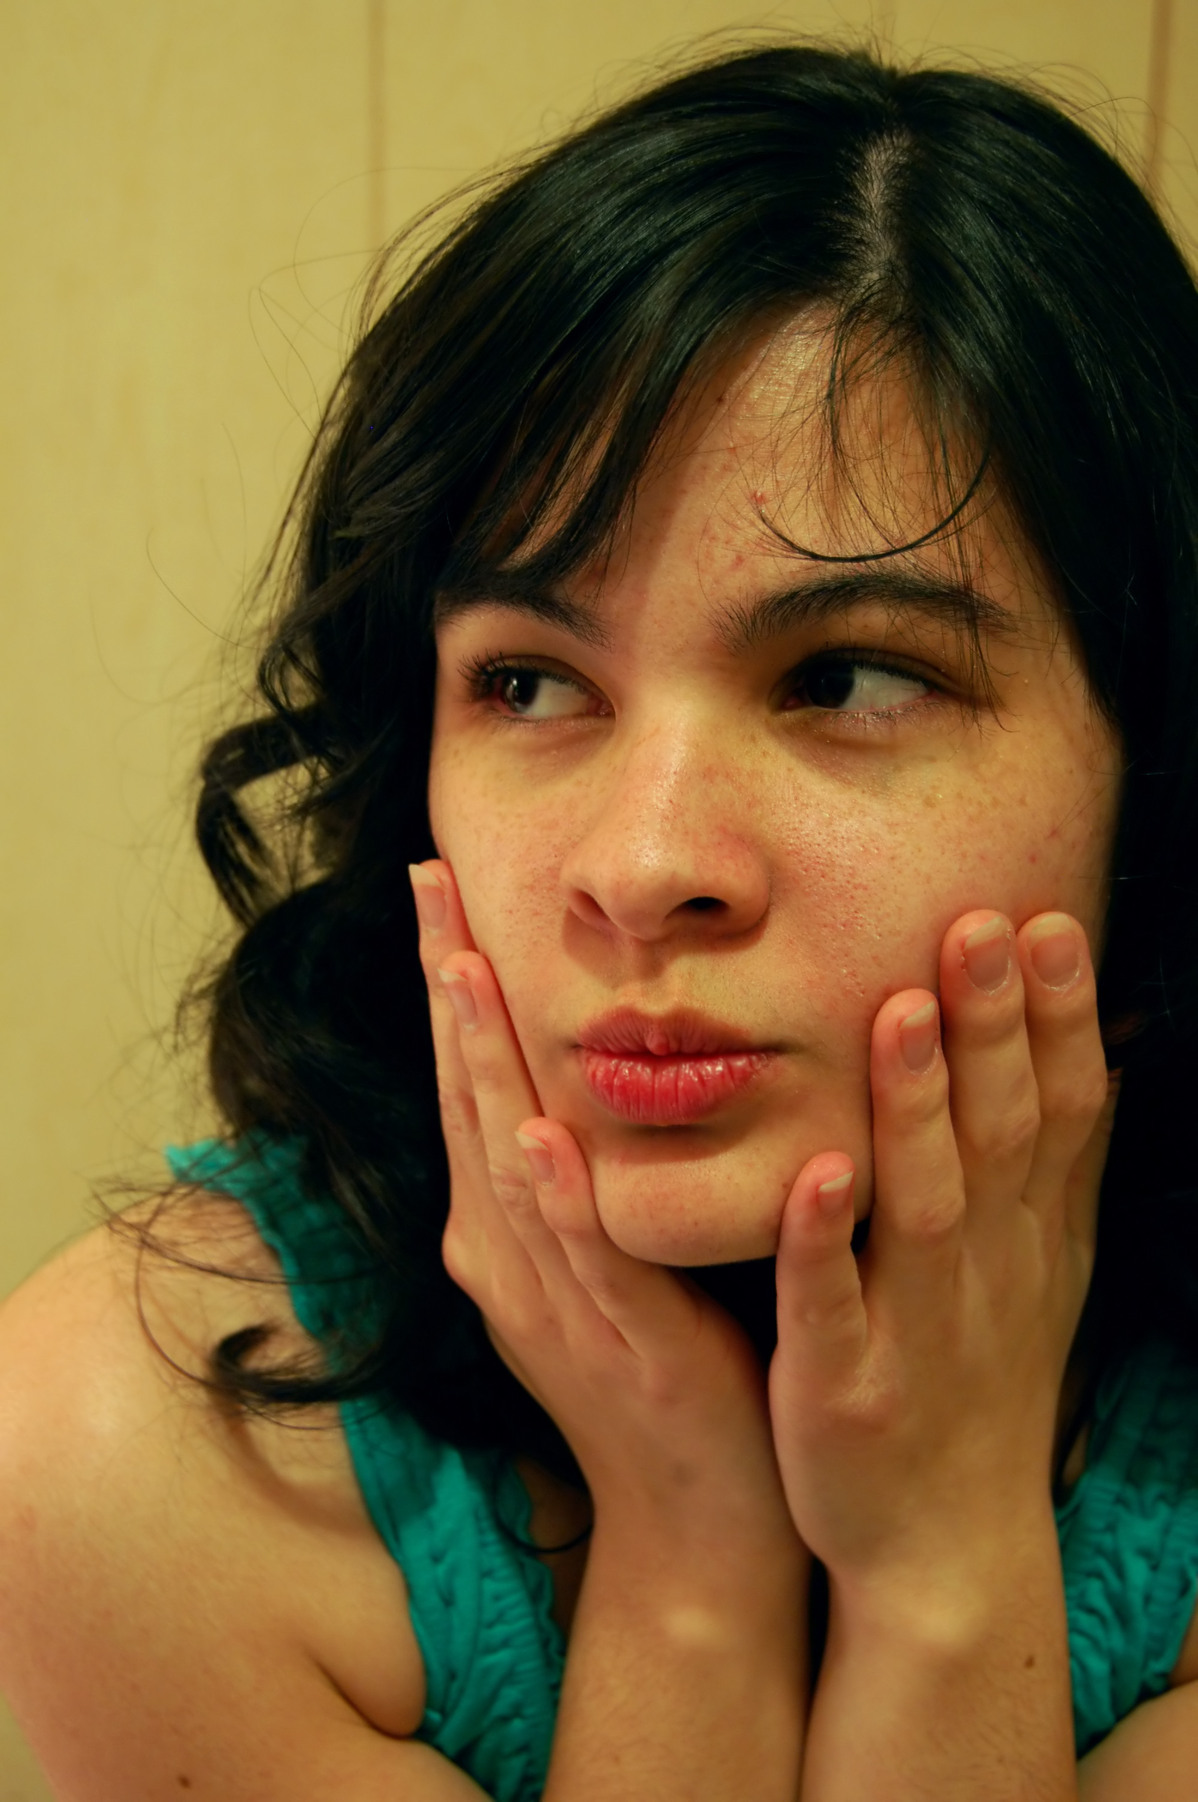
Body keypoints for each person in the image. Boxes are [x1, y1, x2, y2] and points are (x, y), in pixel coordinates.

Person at [2, 36, 1198, 1800]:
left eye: (847, 677)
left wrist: (945, 1568)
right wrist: (692, 1557)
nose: (639, 866)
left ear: (1154, 774)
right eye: (530, 682)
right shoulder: (145, 1440)